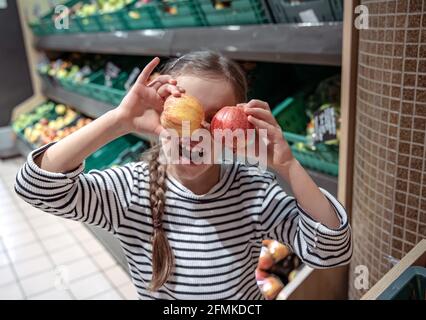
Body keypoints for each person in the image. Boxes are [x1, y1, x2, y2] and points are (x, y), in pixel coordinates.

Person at [15, 51, 352, 300]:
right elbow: (37, 187)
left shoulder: (254, 189)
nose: (195, 133)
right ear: (160, 116)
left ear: (238, 126)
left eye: (214, 117)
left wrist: (288, 166)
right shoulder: (132, 190)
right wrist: (120, 120)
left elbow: (330, 251)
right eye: (182, 115)